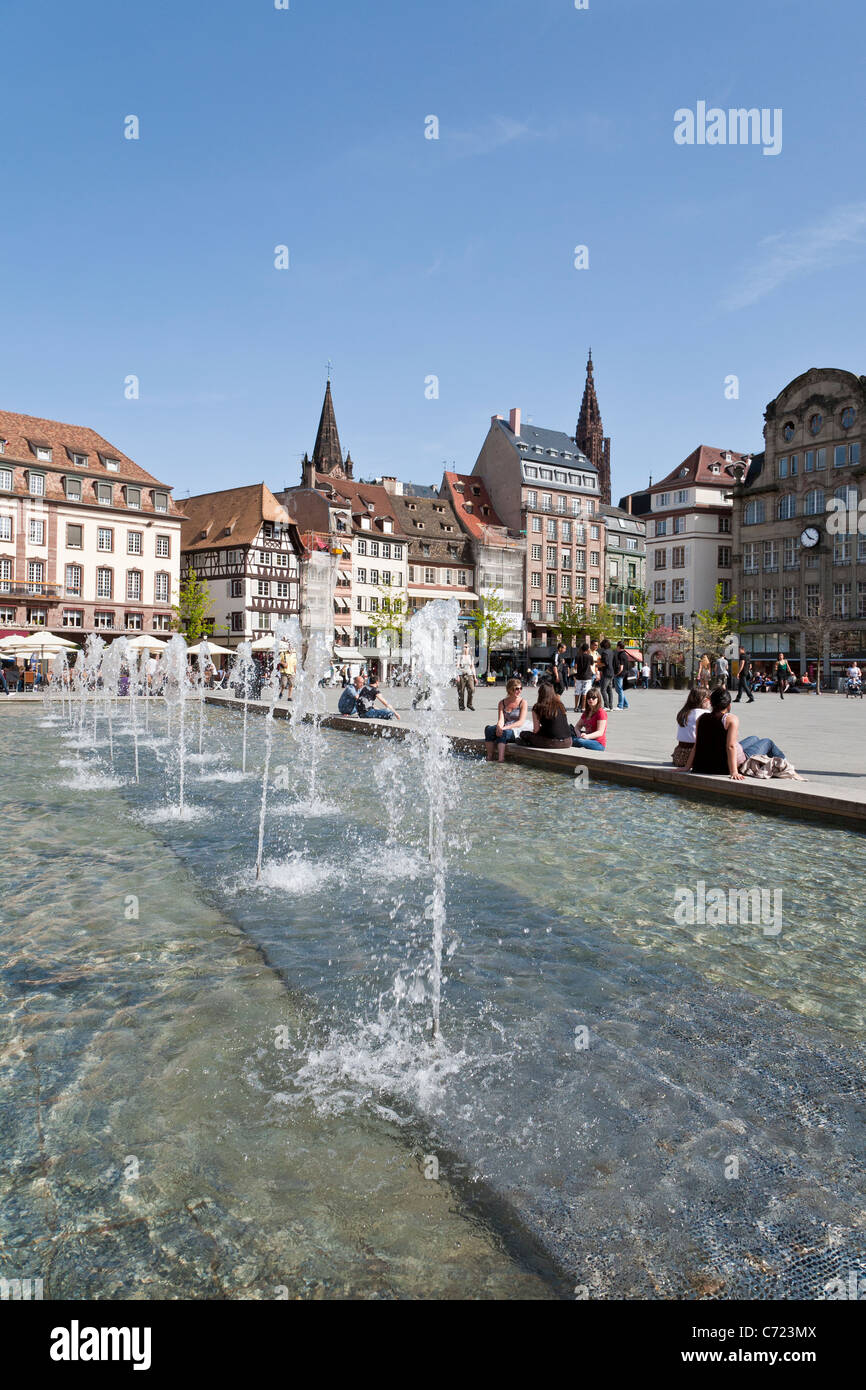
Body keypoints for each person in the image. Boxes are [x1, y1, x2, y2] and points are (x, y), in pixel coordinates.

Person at [685, 688, 786, 781]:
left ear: (711, 703)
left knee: (754, 738)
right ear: (729, 705)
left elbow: (697, 745)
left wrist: (687, 767)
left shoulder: (701, 718)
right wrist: (734, 771)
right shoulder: (731, 719)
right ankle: (784, 764)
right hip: (724, 765)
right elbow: (730, 746)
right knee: (767, 742)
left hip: (703, 766)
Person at [518, 681, 573, 749]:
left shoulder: (537, 707)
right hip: (568, 741)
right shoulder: (560, 705)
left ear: (540, 693)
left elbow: (536, 730)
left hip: (554, 743)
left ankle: (528, 742)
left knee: (523, 734)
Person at [484, 678, 528, 762]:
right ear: (510, 690)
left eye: (520, 688)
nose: (519, 691)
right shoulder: (502, 703)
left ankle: (501, 759)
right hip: (505, 727)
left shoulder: (523, 702)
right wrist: (499, 727)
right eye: (517, 689)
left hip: (516, 729)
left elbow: (520, 722)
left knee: (503, 733)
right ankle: (489, 757)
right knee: (488, 729)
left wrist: (503, 728)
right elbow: (501, 719)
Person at [672, 688, 710, 767]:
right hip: (694, 756)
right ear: (705, 700)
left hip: (679, 755)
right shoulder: (705, 714)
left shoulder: (684, 713)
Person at [572, 642, 596, 713]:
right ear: (588, 649)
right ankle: (583, 708)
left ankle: (576, 707)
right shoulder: (590, 657)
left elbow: (575, 667)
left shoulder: (577, 657)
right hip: (587, 677)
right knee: (585, 693)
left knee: (577, 692)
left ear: (581, 649)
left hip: (579, 677)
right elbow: (591, 666)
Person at [456, 643, 477, 712]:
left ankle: (469, 704)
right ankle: (461, 706)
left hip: (469, 675)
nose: (465, 648)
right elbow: (457, 667)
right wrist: (457, 676)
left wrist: (475, 677)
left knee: (472, 689)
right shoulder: (460, 656)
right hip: (461, 675)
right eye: (464, 647)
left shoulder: (471, 657)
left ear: (469, 648)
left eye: (467, 647)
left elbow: (472, 667)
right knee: (461, 691)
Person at [613, 640, 630, 710]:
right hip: (624, 674)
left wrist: (616, 674)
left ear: (618, 647)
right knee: (619, 690)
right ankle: (625, 704)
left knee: (619, 690)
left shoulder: (620, 655)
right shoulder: (625, 654)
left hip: (619, 674)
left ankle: (620, 705)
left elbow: (621, 667)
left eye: (617, 646)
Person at [598, 638, 615, 710]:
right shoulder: (611, 652)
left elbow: (605, 663)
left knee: (603, 690)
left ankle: (606, 706)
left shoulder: (605, 653)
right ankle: (610, 706)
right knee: (609, 690)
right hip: (611, 672)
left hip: (606, 672)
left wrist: (598, 665)